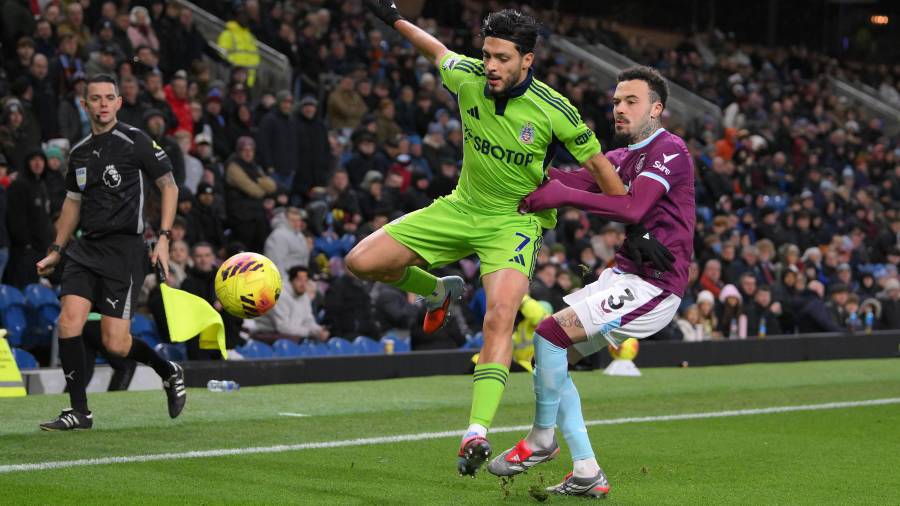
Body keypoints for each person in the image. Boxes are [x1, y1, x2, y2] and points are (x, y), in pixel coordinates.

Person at [351, 4, 627, 477]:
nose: (491, 66)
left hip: (512, 224)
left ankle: (474, 432)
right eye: (487, 55)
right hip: (460, 208)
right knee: (361, 261)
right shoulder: (467, 77)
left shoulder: (554, 109)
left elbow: (601, 169)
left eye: (502, 57)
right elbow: (434, 47)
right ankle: (437, 290)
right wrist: (390, 16)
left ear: (527, 60)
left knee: (500, 314)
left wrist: (633, 222)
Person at [490, 66, 693, 499]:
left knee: (548, 333)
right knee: (549, 356)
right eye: (616, 101)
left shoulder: (671, 150)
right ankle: (586, 470)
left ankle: (543, 439)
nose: (619, 108)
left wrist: (561, 197)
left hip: (655, 286)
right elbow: (566, 179)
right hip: (625, 275)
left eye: (631, 101)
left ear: (657, 109)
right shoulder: (621, 158)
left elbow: (634, 208)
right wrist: (513, 167)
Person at [34, 74, 186, 431]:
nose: (102, 104)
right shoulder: (79, 152)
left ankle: (168, 370)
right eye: (95, 98)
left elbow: (169, 186)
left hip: (125, 251)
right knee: (68, 321)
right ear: (84, 104)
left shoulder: (135, 141)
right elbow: (72, 204)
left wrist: (163, 238)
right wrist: (57, 248)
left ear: (119, 103)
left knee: (115, 344)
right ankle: (79, 411)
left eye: (109, 97)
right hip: (86, 249)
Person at [254, 266, 328, 342]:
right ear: (291, 280)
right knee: (299, 340)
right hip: (266, 333)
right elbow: (283, 327)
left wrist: (318, 330)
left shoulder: (304, 296)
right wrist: (309, 332)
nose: (303, 284)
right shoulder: (279, 296)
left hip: (288, 334)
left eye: (305, 281)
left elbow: (308, 320)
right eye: (299, 280)